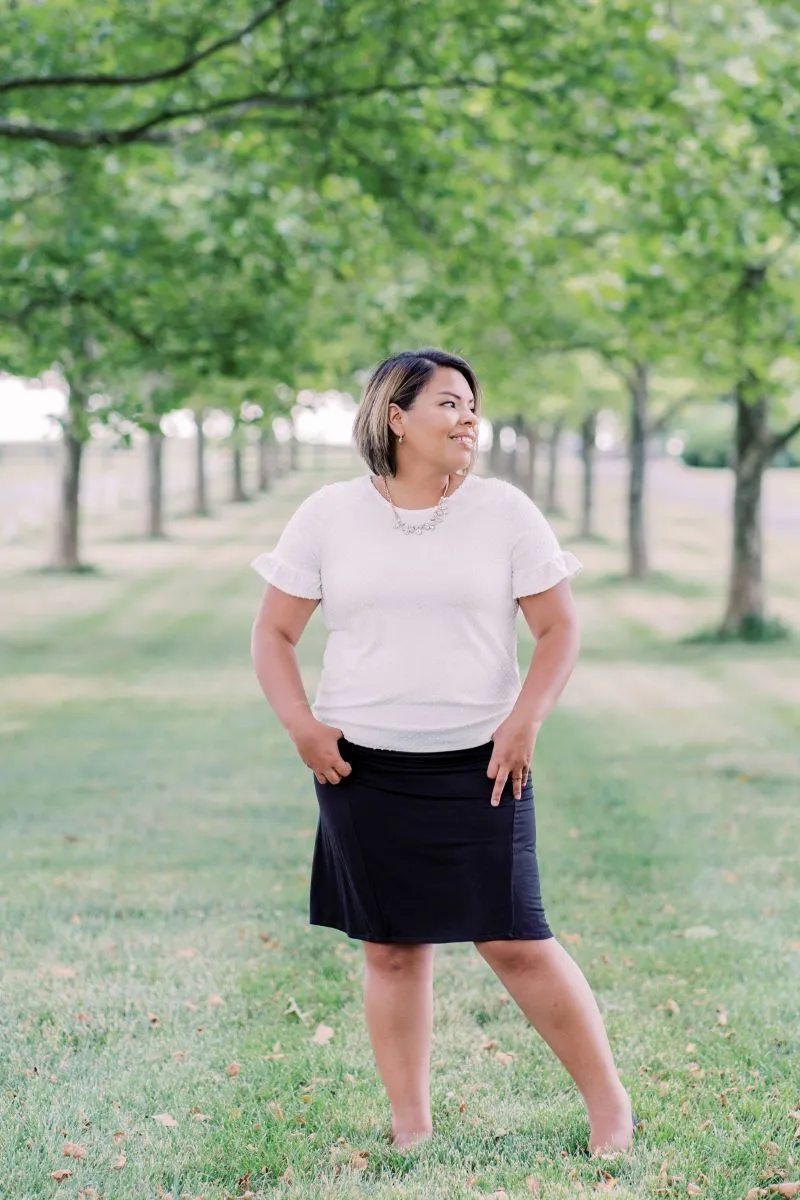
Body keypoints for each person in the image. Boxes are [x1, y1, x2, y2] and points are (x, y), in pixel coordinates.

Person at [250, 348, 635, 1157]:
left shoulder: (505, 512)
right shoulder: (329, 514)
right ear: (397, 417)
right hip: (361, 768)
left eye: (472, 405)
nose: (469, 418)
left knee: (516, 940)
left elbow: (558, 628)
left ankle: (609, 1106)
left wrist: (525, 720)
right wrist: (303, 727)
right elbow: (275, 633)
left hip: (484, 763)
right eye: (450, 404)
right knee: (391, 950)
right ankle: (411, 1125)